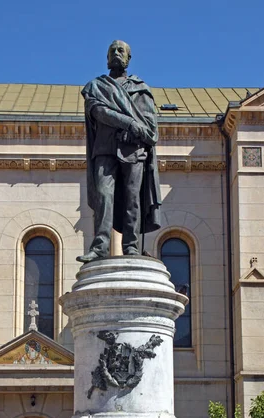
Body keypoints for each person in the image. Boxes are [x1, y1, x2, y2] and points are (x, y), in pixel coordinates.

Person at [77, 40, 161, 263]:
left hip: (133, 151)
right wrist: (129, 123)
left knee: (133, 198)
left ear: (128, 58)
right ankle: (100, 247)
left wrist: (134, 131)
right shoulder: (95, 87)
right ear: (106, 59)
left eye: (120, 51)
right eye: (112, 51)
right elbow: (98, 111)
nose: (116, 53)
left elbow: (150, 130)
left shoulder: (141, 90)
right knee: (104, 194)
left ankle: (131, 247)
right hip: (105, 148)